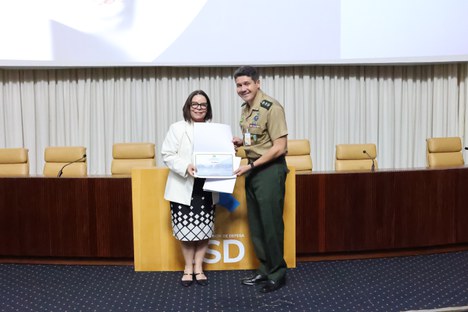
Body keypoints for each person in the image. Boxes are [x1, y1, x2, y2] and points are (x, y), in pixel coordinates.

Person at [232, 66, 289, 293]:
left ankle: (278, 273)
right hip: (253, 170)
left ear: (257, 83)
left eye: (247, 84)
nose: (243, 88)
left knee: (271, 224)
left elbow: (280, 147)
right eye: (239, 85)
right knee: (256, 224)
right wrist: (242, 144)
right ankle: (265, 270)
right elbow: (256, 142)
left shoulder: (271, 107)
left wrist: (252, 164)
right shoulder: (246, 109)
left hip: (269, 171)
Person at [161, 90, 215, 287]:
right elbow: (167, 154)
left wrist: (229, 147)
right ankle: (187, 268)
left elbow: (219, 155)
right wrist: (185, 166)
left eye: (203, 104)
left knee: (204, 230)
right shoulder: (177, 128)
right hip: (183, 185)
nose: (199, 107)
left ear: (207, 108)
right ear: (188, 106)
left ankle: (199, 268)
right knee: (185, 230)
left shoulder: (214, 130)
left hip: (207, 187)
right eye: (195, 104)